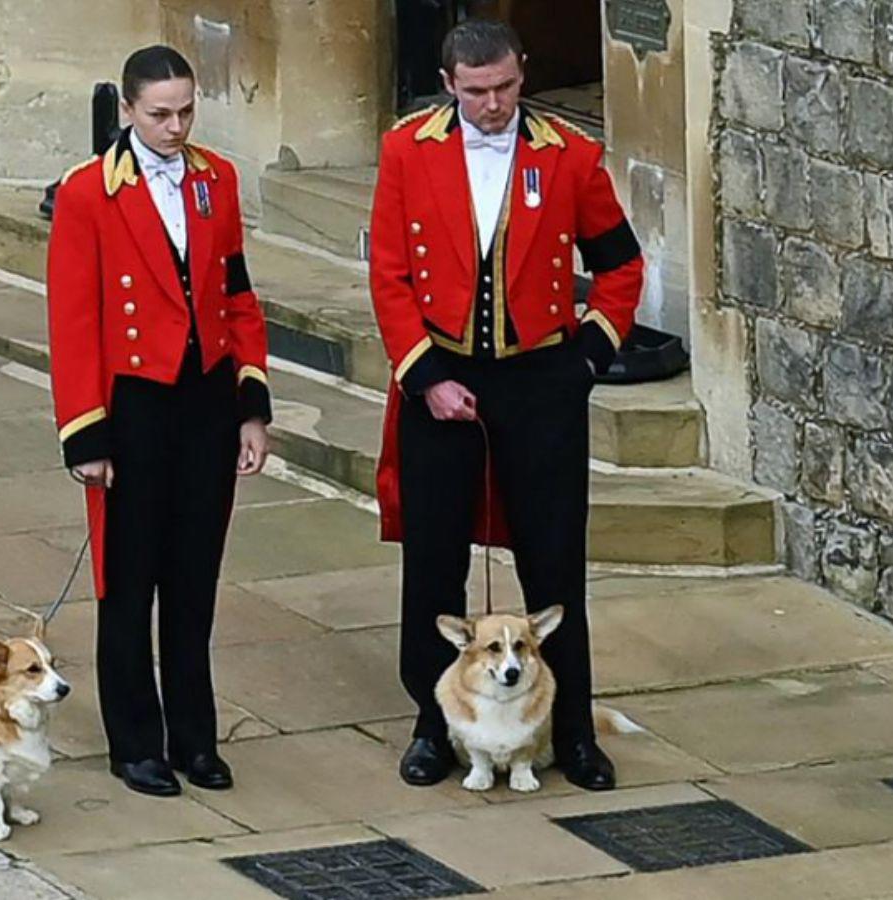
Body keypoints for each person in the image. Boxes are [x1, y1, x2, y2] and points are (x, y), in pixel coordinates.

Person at [369, 20, 644, 791]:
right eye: (477, 91)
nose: (494, 106)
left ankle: (574, 731)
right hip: (440, 378)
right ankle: (434, 725)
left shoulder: (569, 154)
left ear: (522, 73)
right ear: (450, 83)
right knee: (434, 565)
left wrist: (587, 357)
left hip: (537, 383)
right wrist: (423, 375)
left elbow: (621, 265)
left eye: (506, 88)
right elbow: (389, 275)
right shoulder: (405, 151)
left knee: (555, 566)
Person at [46, 45, 272, 797]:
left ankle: (195, 738)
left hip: (205, 400)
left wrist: (251, 406)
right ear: (128, 112)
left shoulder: (218, 180)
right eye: (160, 114)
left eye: (185, 111)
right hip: (132, 405)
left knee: (193, 580)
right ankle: (135, 742)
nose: (176, 128)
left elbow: (237, 293)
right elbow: (73, 321)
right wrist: (86, 434)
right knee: (129, 581)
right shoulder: (87, 194)